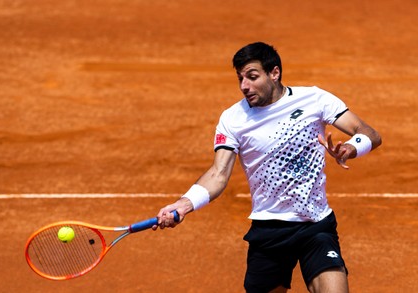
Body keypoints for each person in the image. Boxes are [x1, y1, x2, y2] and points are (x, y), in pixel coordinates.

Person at [153, 42, 382, 293]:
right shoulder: (233, 119)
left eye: (252, 77)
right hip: (269, 230)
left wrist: (350, 148)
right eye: (240, 78)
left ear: (274, 73)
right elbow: (218, 174)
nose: (244, 86)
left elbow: (369, 133)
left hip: (316, 224)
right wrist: (184, 203)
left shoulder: (315, 99)